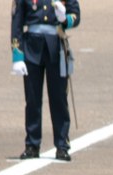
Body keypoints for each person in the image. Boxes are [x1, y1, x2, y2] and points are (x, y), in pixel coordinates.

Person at [11, 0, 80, 161]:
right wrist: (17, 55)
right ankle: (32, 144)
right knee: (33, 99)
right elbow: (17, 23)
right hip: (31, 46)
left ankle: (62, 145)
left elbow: (76, 16)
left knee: (59, 99)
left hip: (56, 46)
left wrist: (64, 19)